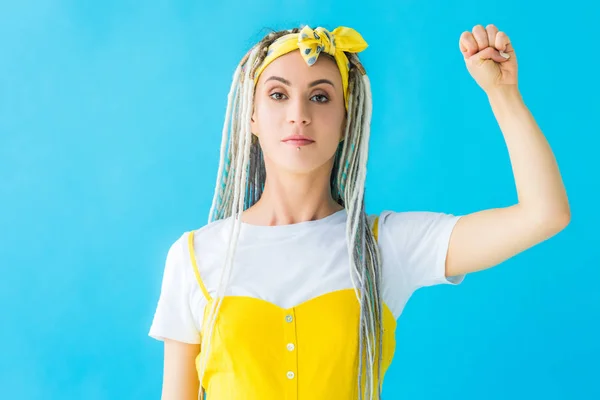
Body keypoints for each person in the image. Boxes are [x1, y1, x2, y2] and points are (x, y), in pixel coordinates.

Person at [148, 24, 570, 400]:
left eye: (320, 96)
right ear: (252, 116)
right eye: (278, 94)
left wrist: (503, 94)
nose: (299, 114)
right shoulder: (195, 257)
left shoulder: (386, 247)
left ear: (347, 120)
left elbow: (544, 214)